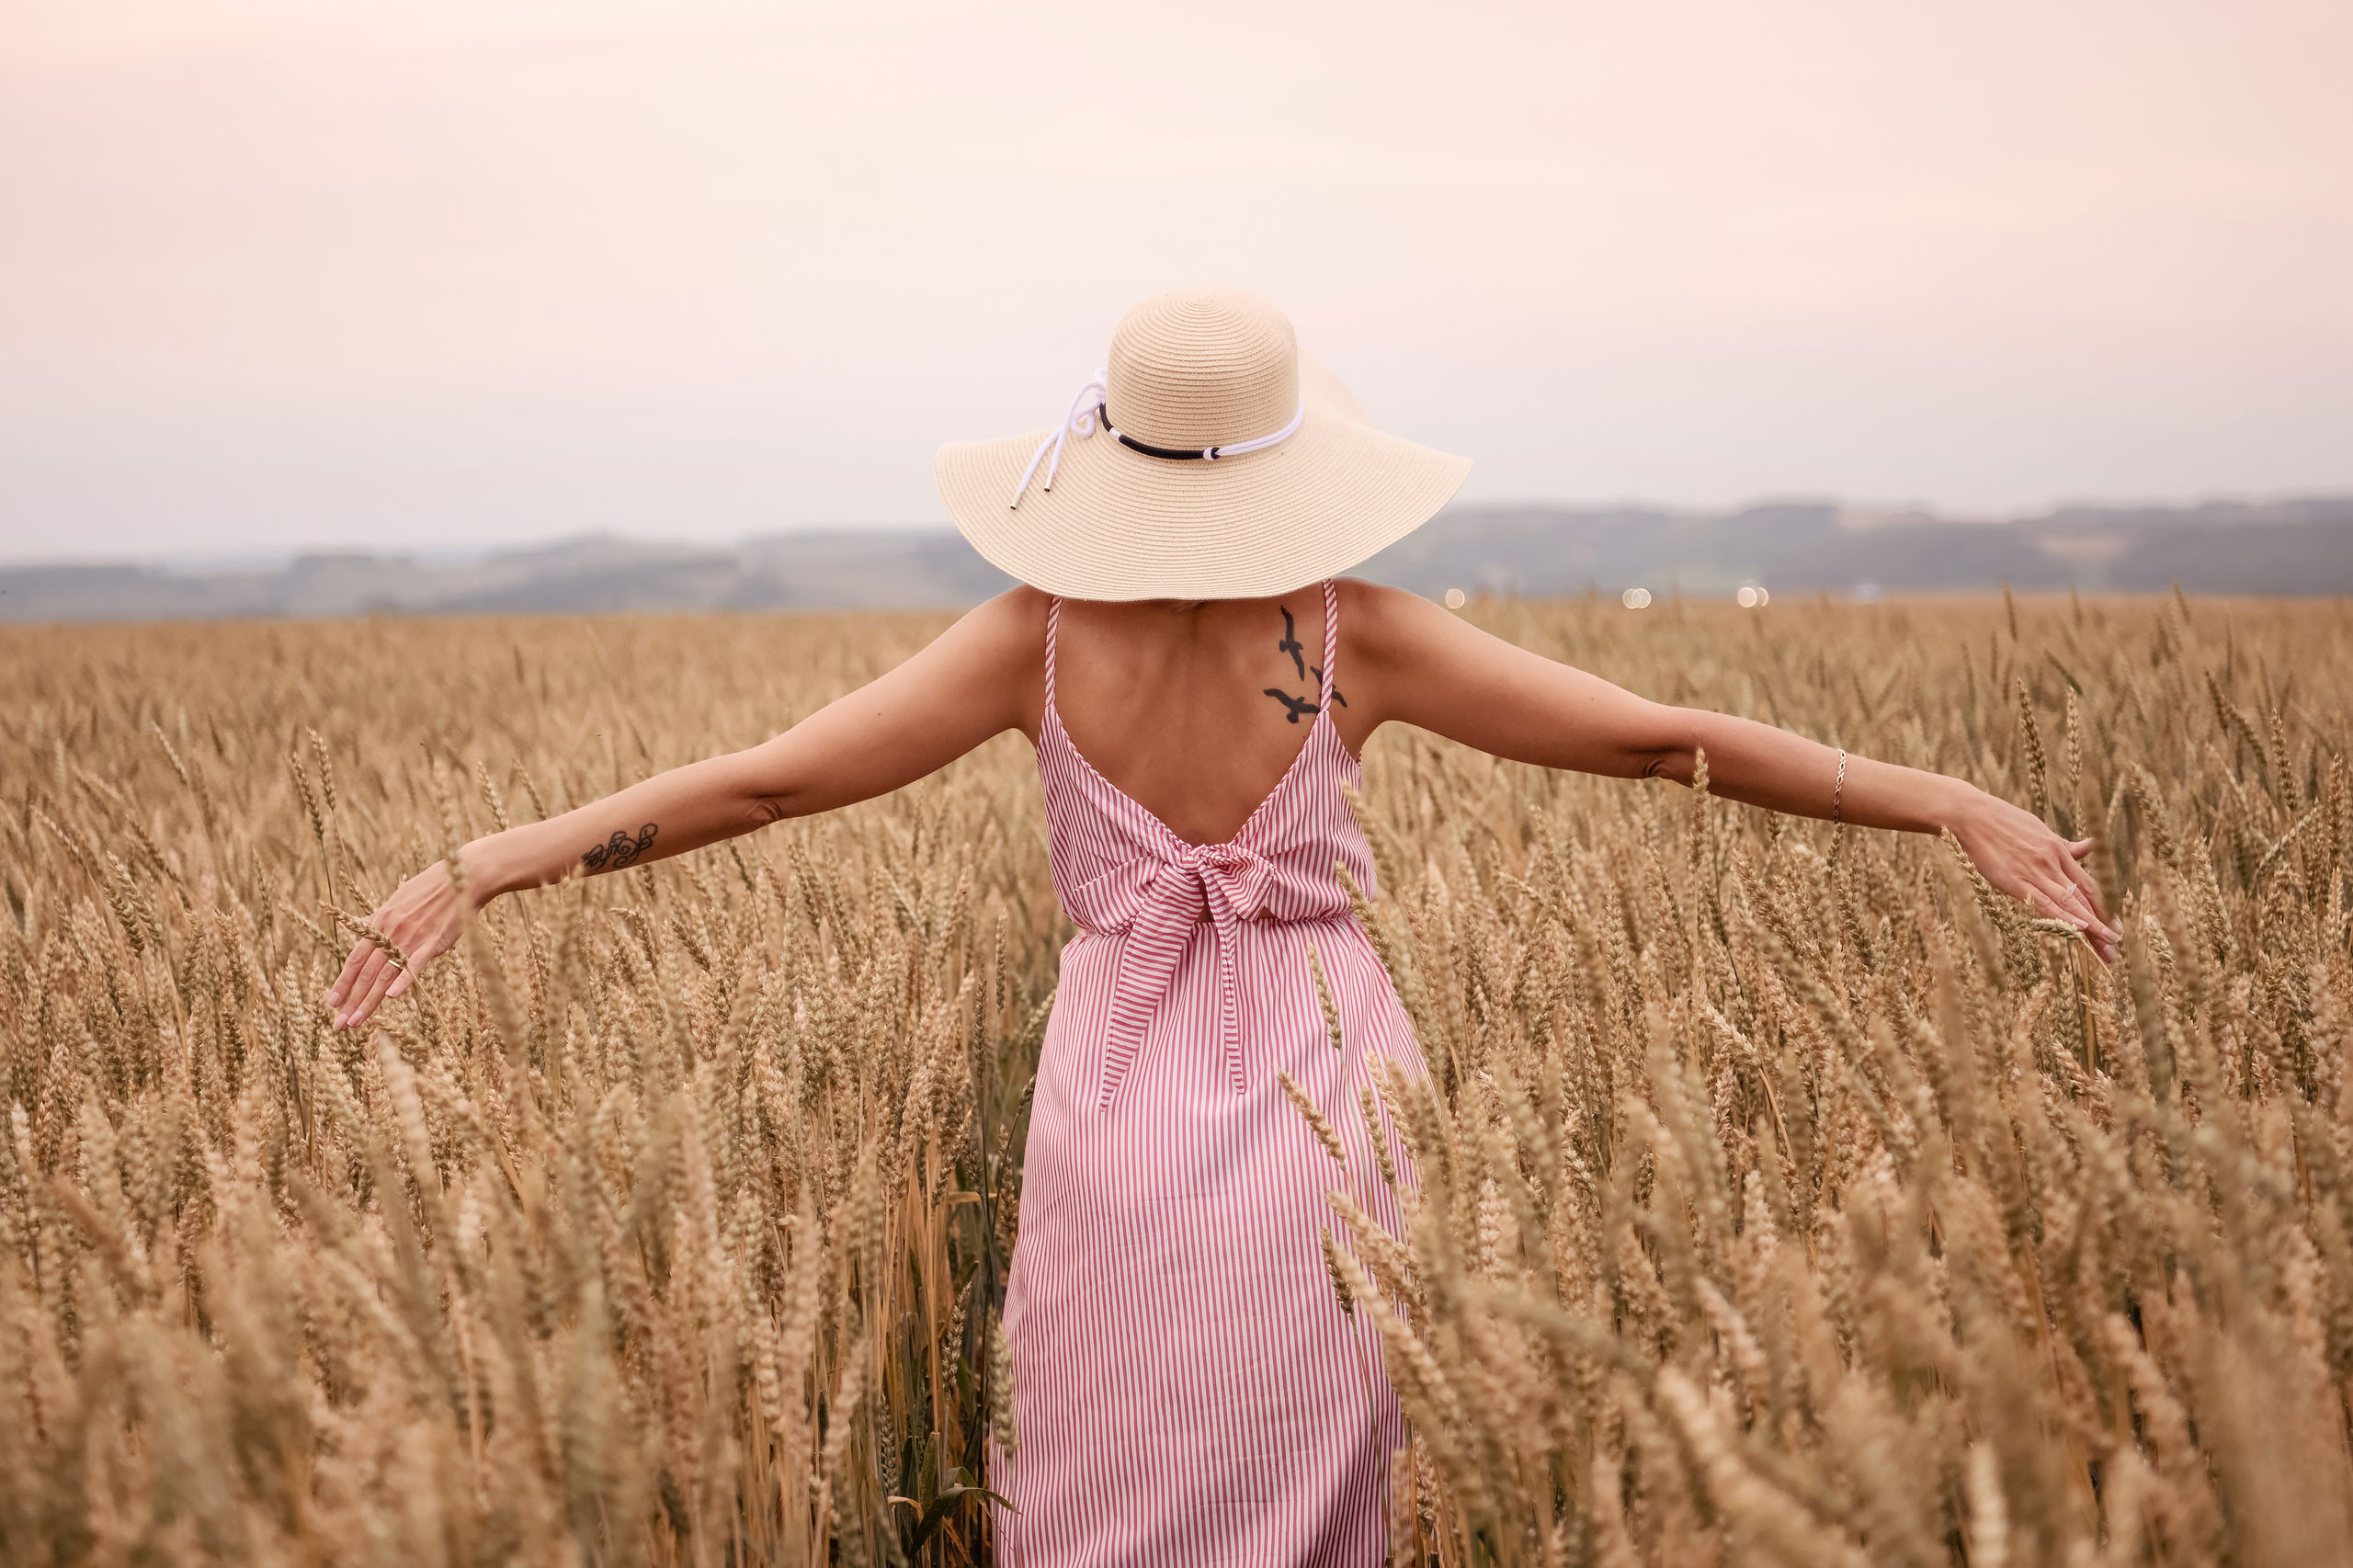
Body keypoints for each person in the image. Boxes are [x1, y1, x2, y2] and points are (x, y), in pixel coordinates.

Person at [326, 288, 2114, 1564]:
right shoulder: (1355, 627)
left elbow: (767, 782)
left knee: (1104, 1468)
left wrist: (493, 858)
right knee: (1324, 1460)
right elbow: (1662, 740)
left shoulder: (1027, 635)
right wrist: (1935, 795)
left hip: (1107, 1089)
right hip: (1328, 1089)